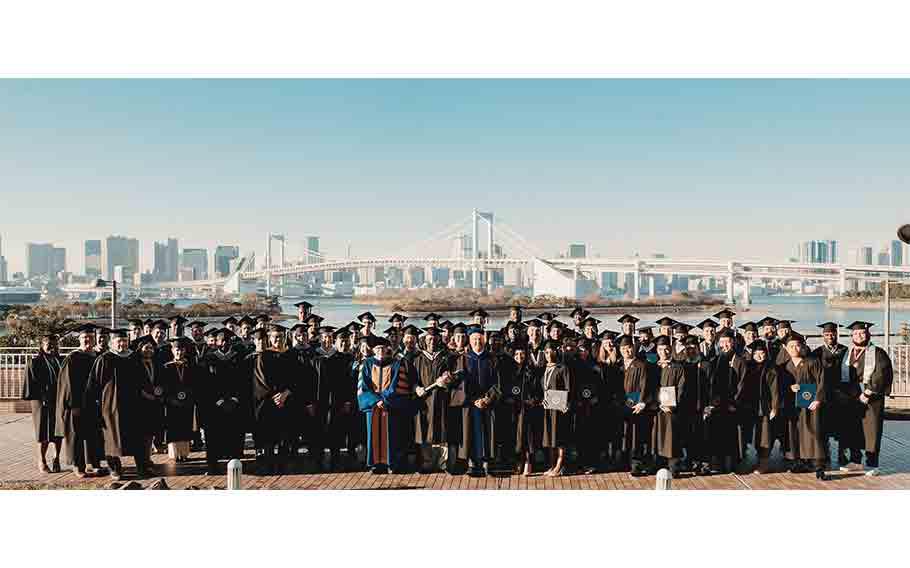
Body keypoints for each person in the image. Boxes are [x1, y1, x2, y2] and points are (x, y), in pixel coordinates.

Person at [86, 329, 146, 480]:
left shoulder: (134, 358)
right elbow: (94, 385)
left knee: (137, 438)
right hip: (111, 407)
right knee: (111, 438)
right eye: (119, 341)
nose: (122, 344)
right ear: (112, 342)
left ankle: (142, 468)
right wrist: (95, 405)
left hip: (133, 406)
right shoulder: (104, 359)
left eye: (124, 341)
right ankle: (115, 469)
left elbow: (143, 380)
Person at [837, 321, 893, 476]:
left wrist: (868, 392)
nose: (859, 336)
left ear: (868, 334)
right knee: (853, 429)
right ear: (851, 336)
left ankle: (872, 464)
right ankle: (856, 461)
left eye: (862, 333)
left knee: (872, 431)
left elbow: (881, 374)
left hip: (871, 399)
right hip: (851, 397)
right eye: (855, 333)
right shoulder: (847, 352)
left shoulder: (877, 352)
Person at [448, 326, 503, 477]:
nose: (477, 342)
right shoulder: (463, 359)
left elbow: (497, 383)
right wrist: (473, 400)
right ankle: (473, 464)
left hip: (488, 404)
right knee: (470, 433)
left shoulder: (492, 359)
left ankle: (487, 463)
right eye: (474, 339)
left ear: (484, 340)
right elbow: (459, 383)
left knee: (488, 432)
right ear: (469, 341)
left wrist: (487, 398)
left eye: (479, 339)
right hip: (469, 404)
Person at [56, 325, 107, 478]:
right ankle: (78, 466)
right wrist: (73, 405)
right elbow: (67, 384)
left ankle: (95, 463)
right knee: (76, 435)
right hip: (77, 405)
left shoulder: (98, 356)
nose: (88, 340)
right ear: (79, 339)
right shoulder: (73, 358)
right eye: (85, 338)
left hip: (95, 403)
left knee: (95, 434)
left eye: (91, 338)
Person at [357, 337, 415, 474]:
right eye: (378, 349)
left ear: (388, 349)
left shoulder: (396, 364)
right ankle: (375, 464)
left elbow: (397, 386)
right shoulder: (366, 364)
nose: (380, 351)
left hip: (390, 406)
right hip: (373, 406)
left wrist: (385, 400)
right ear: (373, 350)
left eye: (383, 348)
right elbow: (363, 387)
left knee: (392, 435)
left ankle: (391, 463)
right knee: (373, 435)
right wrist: (375, 400)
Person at [777, 332, 827, 480]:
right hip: (793, 406)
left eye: (797, 345)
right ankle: (798, 461)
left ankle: (818, 465)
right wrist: (789, 388)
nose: (795, 348)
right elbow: (779, 386)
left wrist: (818, 399)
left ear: (802, 346)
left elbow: (822, 381)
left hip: (810, 405)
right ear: (786, 348)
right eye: (791, 346)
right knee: (795, 433)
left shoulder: (813, 362)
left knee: (813, 433)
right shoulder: (784, 366)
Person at [246, 329, 295, 474]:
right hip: (269, 404)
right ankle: (268, 466)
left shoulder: (291, 355)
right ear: (270, 339)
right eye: (274, 337)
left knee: (285, 437)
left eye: (280, 337)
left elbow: (298, 377)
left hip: (287, 402)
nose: (277, 340)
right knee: (269, 438)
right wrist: (275, 396)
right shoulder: (264, 356)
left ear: (284, 338)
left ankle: (283, 466)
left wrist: (286, 393)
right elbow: (260, 381)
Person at [197, 335, 246, 475]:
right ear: (217, 342)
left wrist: (235, 399)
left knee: (234, 435)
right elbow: (205, 385)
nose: (224, 343)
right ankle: (212, 466)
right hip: (214, 406)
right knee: (213, 437)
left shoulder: (238, 358)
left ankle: (235, 466)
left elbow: (243, 381)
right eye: (221, 340)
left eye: (227, 340)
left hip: (234, 404)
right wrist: (219, 401)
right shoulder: (208, 359)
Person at [312, 327, 357, 471]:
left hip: (336, 401)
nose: (327, 339)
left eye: (330, 337)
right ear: (320, 338)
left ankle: (335, 458)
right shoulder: (313, 357)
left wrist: (347, 401)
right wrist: (308, 402)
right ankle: (318, 460)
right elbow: (306, 381)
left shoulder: (340, 358)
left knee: (336, 430)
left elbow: (347, 382)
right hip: (318, 401)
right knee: (318, 430)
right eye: (325, 337)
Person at [21, 332, 63, 474]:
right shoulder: (35, 362)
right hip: (42, 402)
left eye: (55, 344)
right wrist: (41, 398)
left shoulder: (60, 360)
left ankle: (56, 459)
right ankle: (42, 460)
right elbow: (31, 386)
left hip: (58, 400)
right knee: (43, 433)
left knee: (58, 433)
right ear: (42, 345)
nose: (52, 347)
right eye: (49, 344)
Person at [412, 327, 453, 473]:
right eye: (429, 339)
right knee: (424, 430)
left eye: (435, 339)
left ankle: (443, 463)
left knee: (442, 429)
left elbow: (453, 376)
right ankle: (427, 463)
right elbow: (412, 379)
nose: (432, 342)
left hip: (441, 399)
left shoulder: (446, 357)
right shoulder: (418, 358)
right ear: (424, 340)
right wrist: (416, 388)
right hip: (423, 400)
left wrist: (447, 381)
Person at [652, 335, 688, 477]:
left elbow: (682, 387)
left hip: (672, 409)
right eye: (661, 349)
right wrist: (656, 403)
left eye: (667, 349)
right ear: (657, 350)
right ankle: (658, 464)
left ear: (671, 349)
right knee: (657, 436)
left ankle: (674, 466)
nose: (664, 352)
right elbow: (648, 387)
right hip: (657, 409)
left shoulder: (678, 367)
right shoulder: (653, 367)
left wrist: (674, 404)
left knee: (673, 437)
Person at [160, 337, 200, 464]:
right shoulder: (166, 367)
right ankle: (175, 453)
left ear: (185, 351)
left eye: (181, 350)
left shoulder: (191, 366)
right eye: (177, 350)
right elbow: (163, 385)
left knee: (185, 427)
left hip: (187, 403)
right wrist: (170, 398)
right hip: (172, 403)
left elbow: (195, 384)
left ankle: (184, 454)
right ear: (172, 351)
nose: (179, 352)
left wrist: (190, 396)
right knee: (173, 427)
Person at [813, 322, 847, 465]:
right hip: (824, 395)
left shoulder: (845, 350)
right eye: (827, 334)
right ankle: (825, 453)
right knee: (824, 426)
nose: (830, 336)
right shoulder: (817, 353)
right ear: (823, 336)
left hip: (841, 395)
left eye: (832, 334)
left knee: (843, 426)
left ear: (837, 334)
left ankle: (842, 453)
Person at [618, 335, 652, 476]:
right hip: (621, 405)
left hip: (635, 406)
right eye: (624, 348)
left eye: (629, 348)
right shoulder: (618, 366)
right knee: (623, 434)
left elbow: (645, 384)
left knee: (636, 436)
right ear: (620, 350)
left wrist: (642, 402)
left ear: (634, 348)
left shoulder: (641, 365)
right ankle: (623, 462)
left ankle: (636, 464)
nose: (627, 351)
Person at [746, 341, 779, 474]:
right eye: (756, 353)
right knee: (756, 435)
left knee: (765, 435)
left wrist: (774, 407)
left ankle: (764, 463)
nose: (759, 356)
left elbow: (775, 389)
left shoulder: (771, 368)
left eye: (762, 353)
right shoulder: (749, 367)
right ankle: (757, 460)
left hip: (765, 407)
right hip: (752, 406)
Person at [571, 337, 603, 474]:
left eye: (585, 350)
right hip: (578, 406)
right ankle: (579, 463)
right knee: (578, 435)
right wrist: (576, 399)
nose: (583, 352)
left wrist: (596, 398)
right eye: (580, 350)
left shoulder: (596, 366)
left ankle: (591, 463)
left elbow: (602, 386)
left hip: (592, 406)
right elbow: (571, 385)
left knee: (592, 435)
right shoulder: (573, 365)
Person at [135, 336, 165, 470]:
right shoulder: (134, 364)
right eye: (146, 347)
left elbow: (161, 381)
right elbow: (133, 384)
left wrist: (160, 390)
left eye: (151, 348)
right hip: (141, 404)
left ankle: (147, 458)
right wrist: (145, 394)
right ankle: (141, 460)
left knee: (151, 433)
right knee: (141, 434)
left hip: (155, 403)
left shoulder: (156, 363)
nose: (149, 350)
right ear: (140, 349)